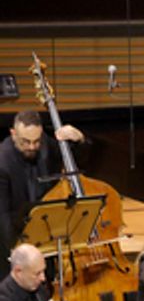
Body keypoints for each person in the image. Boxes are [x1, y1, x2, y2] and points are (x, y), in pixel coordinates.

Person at [0, 110, 85, 257]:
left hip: (47, 230)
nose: (32, 147)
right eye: (25, 142)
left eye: (36, 141)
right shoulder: (2, 162)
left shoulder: (44, 144)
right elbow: (3, 215)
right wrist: (15, 249)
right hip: (16, 234)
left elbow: (75, 159)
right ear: (13, 133)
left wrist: (80, 139)